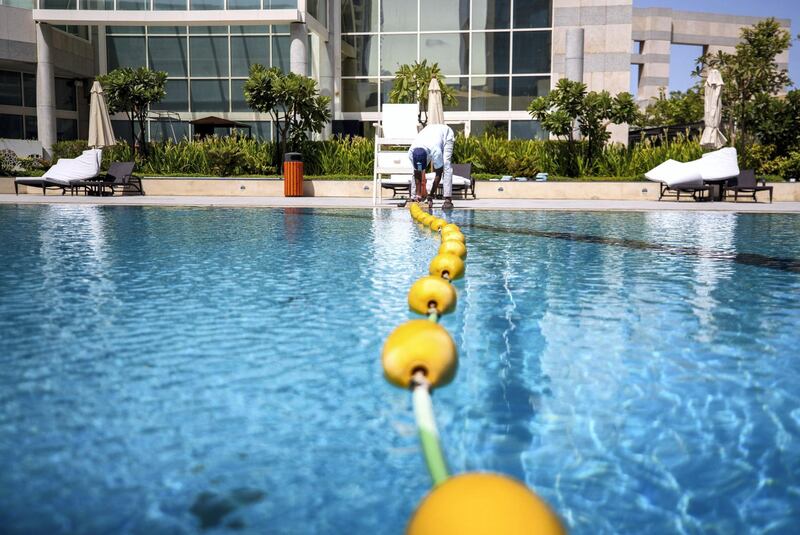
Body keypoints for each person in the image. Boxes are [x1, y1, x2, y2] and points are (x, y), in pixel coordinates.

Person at [407, 123, 455, 210]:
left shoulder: (436, 151)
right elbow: (417, 173)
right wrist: (418, 195)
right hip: (429, 133)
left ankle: (448, 198)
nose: (421, 169)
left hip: (446, 134)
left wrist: (430, 195)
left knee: (446, 165)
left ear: (427, 158)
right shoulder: (411, 153)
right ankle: (414, 197)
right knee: (416, 172)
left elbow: (438, 174)